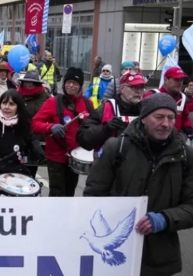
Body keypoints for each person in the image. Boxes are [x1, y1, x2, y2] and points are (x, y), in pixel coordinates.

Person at [84, 94, 193, 276]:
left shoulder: (186, 156)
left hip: (159, 258)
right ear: (144, 118)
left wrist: (165, 219)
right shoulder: (116, 148)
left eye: (171, 118)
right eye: (159, 117)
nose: (165, 123)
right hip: (116, 256)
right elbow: (93, 196)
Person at [32, 67, 92, 197]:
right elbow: (35, 124)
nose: (70, 85)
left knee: (70, 193)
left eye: (75, 83)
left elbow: (94, 127)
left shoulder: (88, 104)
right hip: (56, 158)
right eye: (68, 82)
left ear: (80, 86)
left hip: (77, 159)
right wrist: (50, 127)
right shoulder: (53, 102)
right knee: (57, 194)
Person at [78, 70, 144, 151]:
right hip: (109, 161)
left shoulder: (146, 109)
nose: (138, 91)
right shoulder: (106, 108)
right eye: (134, 87)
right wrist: (105, 129)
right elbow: (83, 138)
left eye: (141, 87)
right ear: (122, 89)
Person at [144, 66, 193, 141]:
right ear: (166, 80)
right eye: (176, 80)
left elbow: (185, 117)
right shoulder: (152, 95)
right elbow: (141, 117)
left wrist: (188, 127)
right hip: (153, 139)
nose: (180, 83)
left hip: (175, 140)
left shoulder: (182, 97)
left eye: (181, 80)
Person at [17, 70, 50, 176]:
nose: (28, 84)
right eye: (26, 81)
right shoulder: (17, 95)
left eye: (31, 82)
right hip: (19, 135)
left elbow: (43, 113)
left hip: (36, 136)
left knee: (31, 168)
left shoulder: (44, 96)